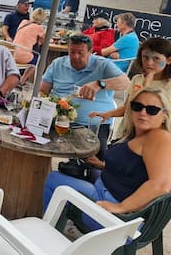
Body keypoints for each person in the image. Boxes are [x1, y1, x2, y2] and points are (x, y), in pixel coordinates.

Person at [43, 87, 171, 223]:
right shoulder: (140, 135)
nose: (143, 113)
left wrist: (121, 207)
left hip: (114, 215)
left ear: (165, 116)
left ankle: (44, 229)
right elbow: (135, 172)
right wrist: (102, 166)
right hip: (106, 193)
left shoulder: (160, 137)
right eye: (137, 106)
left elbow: (161, 185)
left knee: (52, 179)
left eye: (152, 110)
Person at [40, 33, 130, 157]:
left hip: (94, 125)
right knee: (37, 146)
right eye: (72, 52)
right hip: (59, 121)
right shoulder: (57, 64)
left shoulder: (102, 64)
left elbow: (125, 83)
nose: (76, 57)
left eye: (81, 53)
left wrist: (100, 84)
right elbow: (42, 92)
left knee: (95, 161)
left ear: (90, 51)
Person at [90, 37, 171, 123]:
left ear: (168, 60)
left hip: (151, 134)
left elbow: (147, 109)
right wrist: (108, 114)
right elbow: (127, 107)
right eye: (145, 57)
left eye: (156, 59)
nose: (149, 63)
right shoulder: (137, 79)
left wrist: (146, 85)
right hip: (128, 130)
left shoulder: (168, 85)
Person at [13, 7, 46, 85]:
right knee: (38, 59)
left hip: (12, 53)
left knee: (33, 56)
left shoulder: (23, 22)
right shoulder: (39, 28)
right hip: (22, 57)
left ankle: (21, 79)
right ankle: (22, 80)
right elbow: (44, 41)